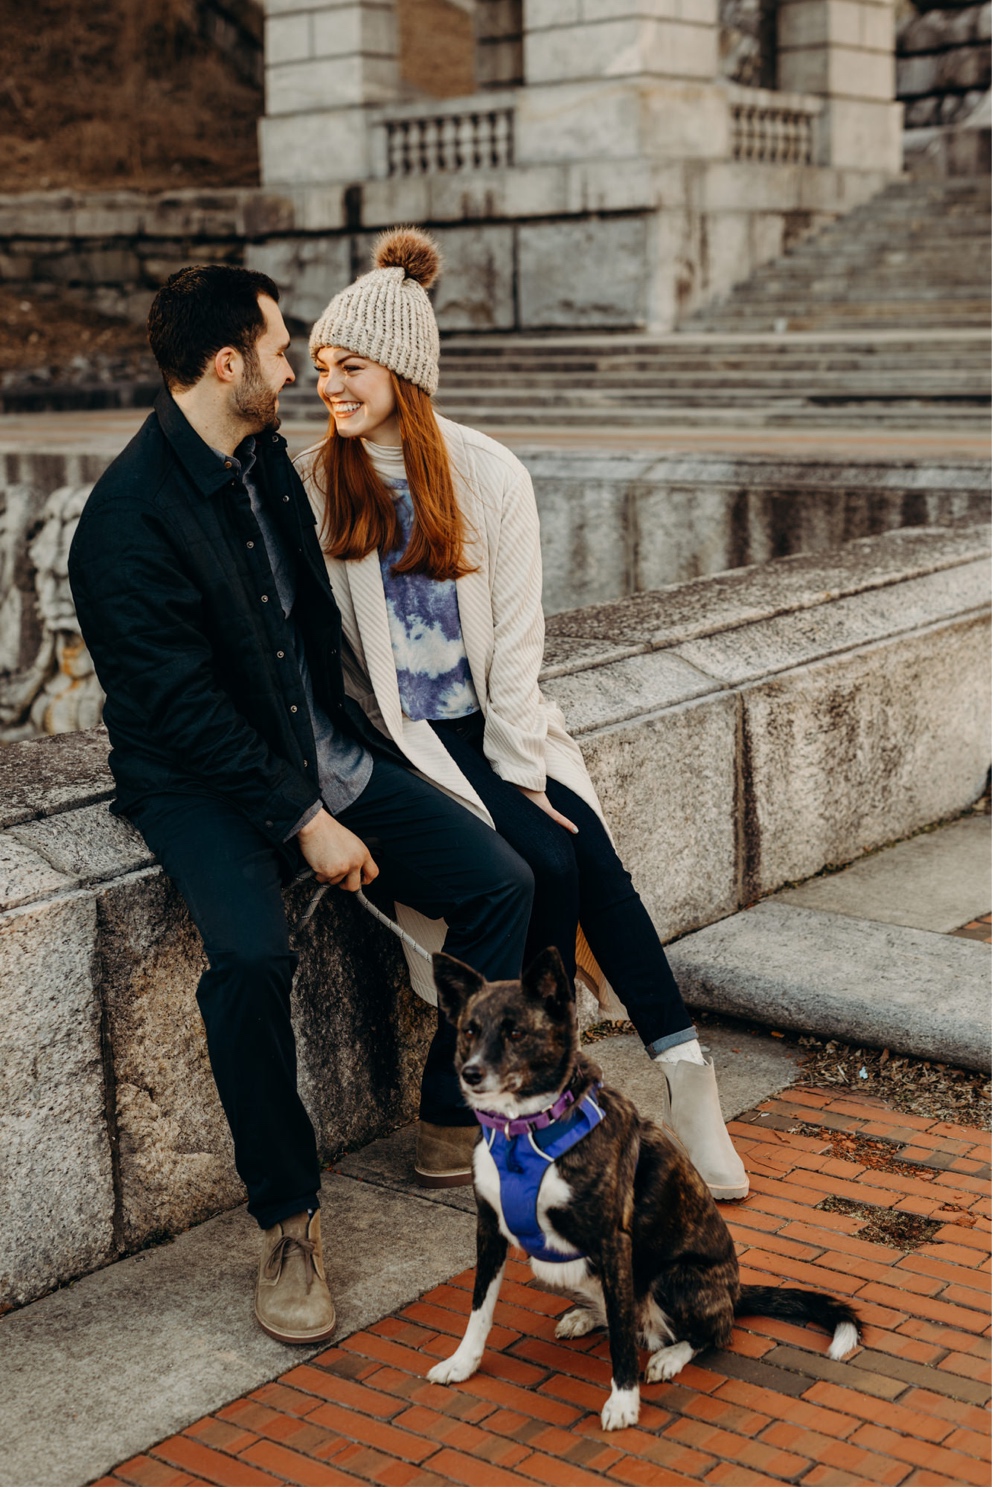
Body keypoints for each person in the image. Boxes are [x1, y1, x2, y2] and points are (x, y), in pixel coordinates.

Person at [69, 264, 538, 1347]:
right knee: (248, 961)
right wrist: (302, 820)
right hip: (199, 783)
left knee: (502, 882)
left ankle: (439, 1116)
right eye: (282, 351)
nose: (296, 371)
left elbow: (313, 635)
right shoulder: (123, 523)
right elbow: (180, 711)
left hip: (318, 749)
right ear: (227, 362)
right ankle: (287, 1221)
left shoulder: (263, 465)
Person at [291, 228, 748, 1201]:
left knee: (577, 846)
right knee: (537, 865)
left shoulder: (489, 473)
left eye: (351, 366)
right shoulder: (317, 484)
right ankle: (535, 1082)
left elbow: (518, 643)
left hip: (497, 723)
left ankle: (685, 1073)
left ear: (405, 370)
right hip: (399, 743)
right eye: (321, 367)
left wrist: (525, 774)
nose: (329, 384)